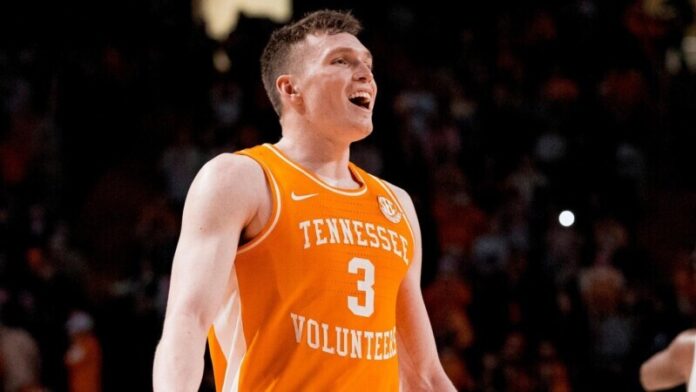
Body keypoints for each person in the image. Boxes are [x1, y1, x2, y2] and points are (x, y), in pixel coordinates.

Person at [152, 9, 455, 392]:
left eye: (368, 65)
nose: (366, 74)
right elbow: (188, 320)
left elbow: (422, 373)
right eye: (341, 61)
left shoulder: (396, 204)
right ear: (291, 88)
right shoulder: (242, 178)